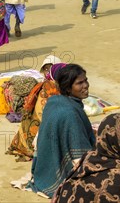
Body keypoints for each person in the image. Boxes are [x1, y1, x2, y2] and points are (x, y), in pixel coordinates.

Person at [28, 64, 95, 198]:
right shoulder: (70, 114)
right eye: (79, 83)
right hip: (59, 175)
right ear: (68, 88)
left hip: (44, 167)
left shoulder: (54, 101)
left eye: (86, 80)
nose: (86, 85)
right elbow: (80, 159)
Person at [7, 60, 64, 160]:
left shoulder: (47, 86)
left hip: (30, 135)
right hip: (36, 138)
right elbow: (50, 119)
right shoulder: (50, 89)